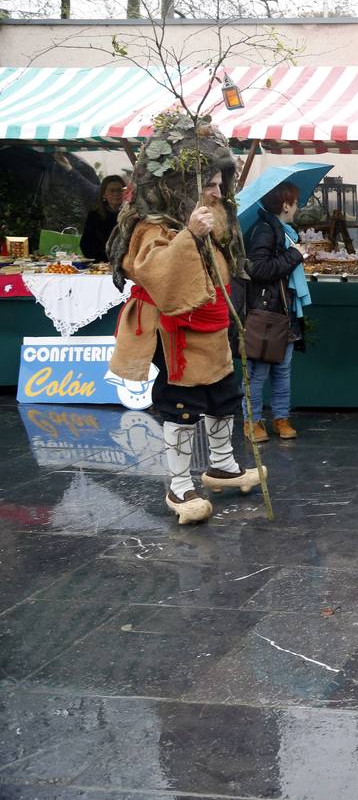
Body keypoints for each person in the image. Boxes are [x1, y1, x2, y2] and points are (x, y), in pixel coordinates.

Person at [106, 113, 262, 525]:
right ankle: (179, 484)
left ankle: (222, 465)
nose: (217, 190)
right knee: (184, 404)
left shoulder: (212, 211)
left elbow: (226, 258)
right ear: (181, 186)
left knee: (224, 394)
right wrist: (189, 234)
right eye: (208, 184)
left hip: (214, 326)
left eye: (217, 183)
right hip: (177, 332)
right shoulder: (151, 226)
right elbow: (154, 272)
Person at [242, 182, 309, 443]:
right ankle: (252, 421)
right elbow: (258, 269)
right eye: (295, 202)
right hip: (266, 311)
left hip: (283, 311)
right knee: (258, 372)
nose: (297, 207)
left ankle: (281, 418)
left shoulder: (283, 230)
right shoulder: (264, 230)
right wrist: (294, 255)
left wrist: (295, 252)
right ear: (285, 205)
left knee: (282, 370)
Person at [81, 175, 127, 262]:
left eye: (119, 190)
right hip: (101, 264)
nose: (116, 194)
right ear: (104, 194)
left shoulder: (131, 217)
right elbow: (86, 245)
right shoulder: (94, 216)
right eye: (112, 190)